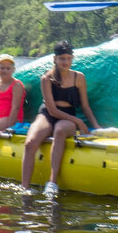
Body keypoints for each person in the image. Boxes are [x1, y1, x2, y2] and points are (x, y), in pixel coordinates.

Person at [20, 41, 102, 194]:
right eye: (62, 58)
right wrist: (78, 121)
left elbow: (85, 106)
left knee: (59, 131)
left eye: (69, 58)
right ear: (55, 59)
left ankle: (52, 183)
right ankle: (25, 187)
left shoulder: (79, 77)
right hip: (48, 113)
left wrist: (95, 126)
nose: (65, 62)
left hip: (68, 116)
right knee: (30, 143)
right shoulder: (46, 79)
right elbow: (51, 110)